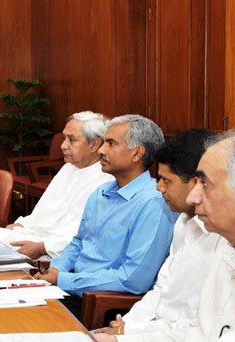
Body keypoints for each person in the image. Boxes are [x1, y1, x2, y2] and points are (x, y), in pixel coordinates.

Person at [94, 132, 235, 341]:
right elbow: (201, 326)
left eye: (204, 183)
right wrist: (127, 332)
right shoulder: (208, 235)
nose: (193, 196)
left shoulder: (219, 240)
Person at [35, 114, 176, 318]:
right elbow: (78, 243)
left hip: (102, 302)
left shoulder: (153, 204)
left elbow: (132, 279)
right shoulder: (100, 193)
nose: (101, 150)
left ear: (137, 153)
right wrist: (57, 269)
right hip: (71, 288)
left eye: (111, 143)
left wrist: (64, 280)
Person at [0, 111, 113, 259]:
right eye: (64, 138)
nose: (63, 146)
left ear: (94, 144)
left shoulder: (106, 179)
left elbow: (82, 236)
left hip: (54, 250)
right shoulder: (69, 167)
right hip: (35, 236)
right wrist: (22, 224)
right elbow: (45, 209)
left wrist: (42, 247)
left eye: (71, 140)